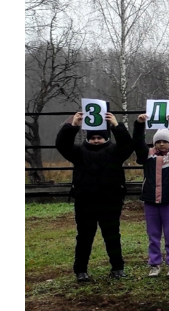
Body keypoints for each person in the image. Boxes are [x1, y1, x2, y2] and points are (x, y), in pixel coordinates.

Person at [55, 110, 133, 282]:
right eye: (93, 137)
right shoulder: (78, 153)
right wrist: (73, 125)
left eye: (100, 137)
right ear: (87, 138)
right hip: (85, 201)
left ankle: (118, 268)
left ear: (106, 138)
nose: (96, 140)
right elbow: (61, 144)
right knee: (84, 237)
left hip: (111, 201)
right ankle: (80, 270)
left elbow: (128, 144)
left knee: (112, 235)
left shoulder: (116, 152)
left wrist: (116, 125)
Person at [133, 112, 169, 277]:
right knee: (153, 235)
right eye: (158, 142)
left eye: (165, 141)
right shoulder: (147, 155)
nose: (162, 144)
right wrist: (139, 124)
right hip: (150, 201)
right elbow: (137, 142)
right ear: (154, 143)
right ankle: (154, 264)